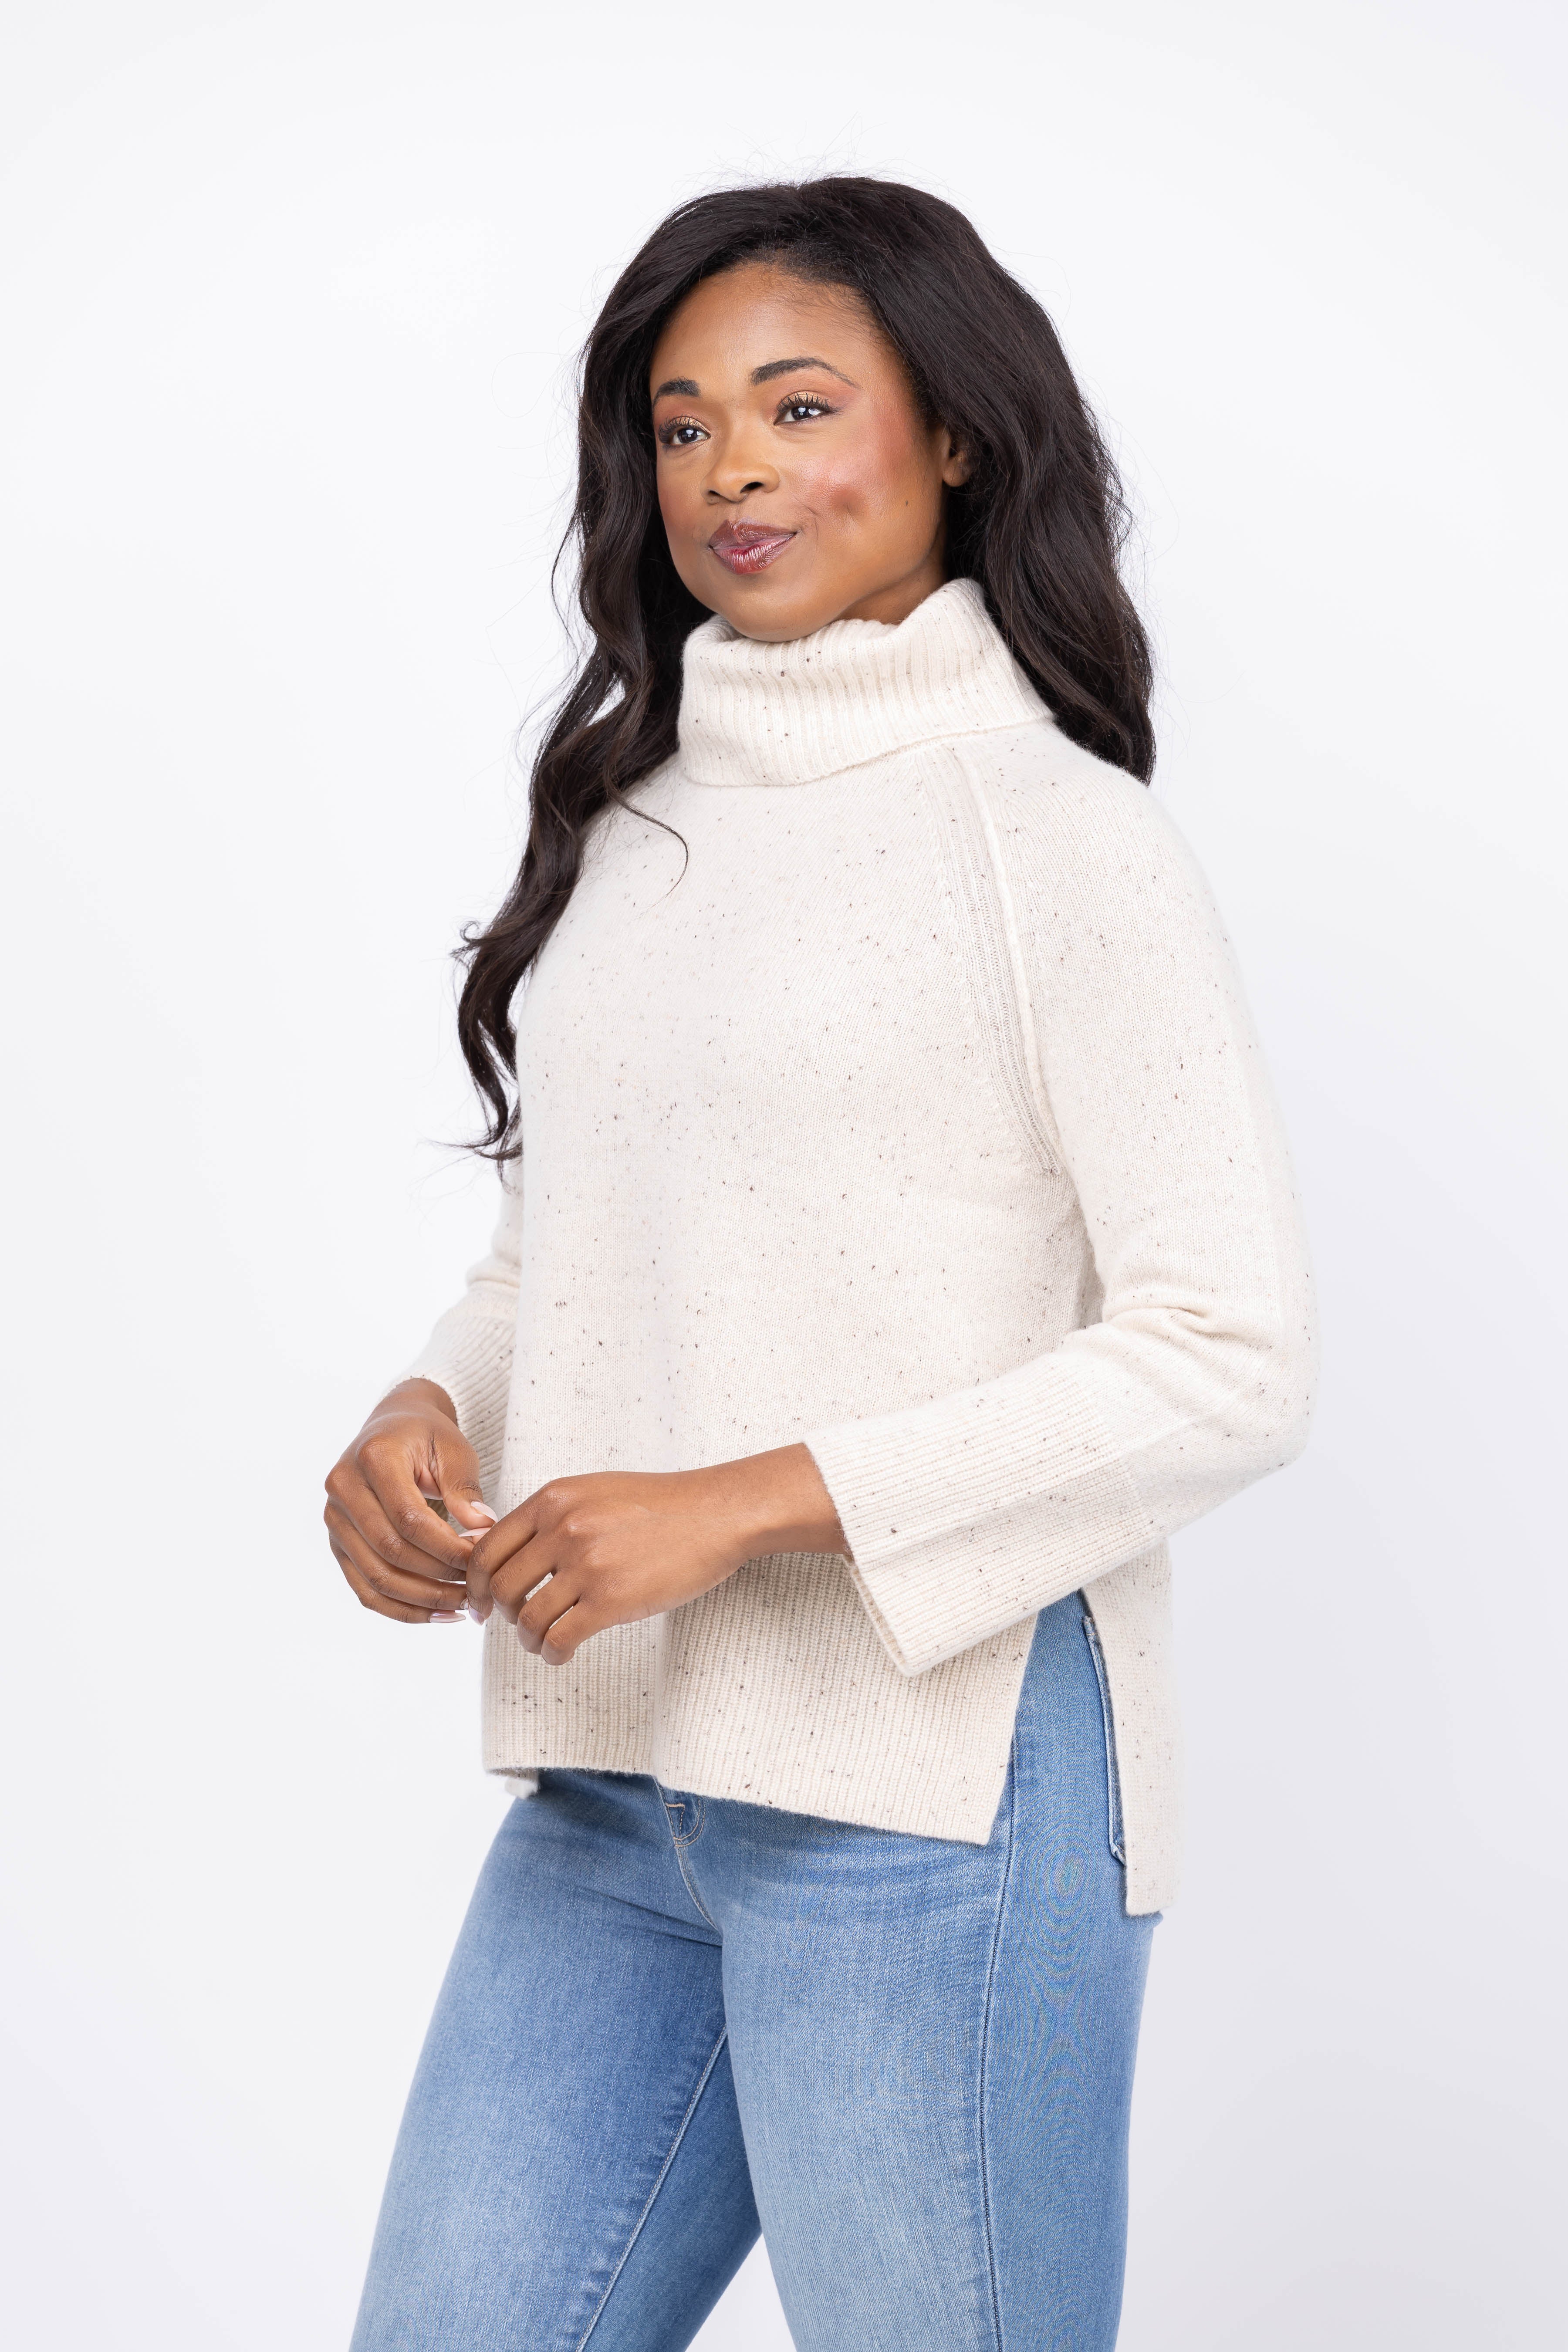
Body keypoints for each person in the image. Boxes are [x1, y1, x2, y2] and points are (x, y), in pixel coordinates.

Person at [329, 176, 1317, 2352]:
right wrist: (427, 1408)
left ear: (952, 433)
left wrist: (744, 1505)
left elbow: (1231, 1355)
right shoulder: (641, 822)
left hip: (938, 1799)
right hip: (617, 1788)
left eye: (796, 408)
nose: (730, 471)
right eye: (682, 426)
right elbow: (559, 1251)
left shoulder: (1057, 837)